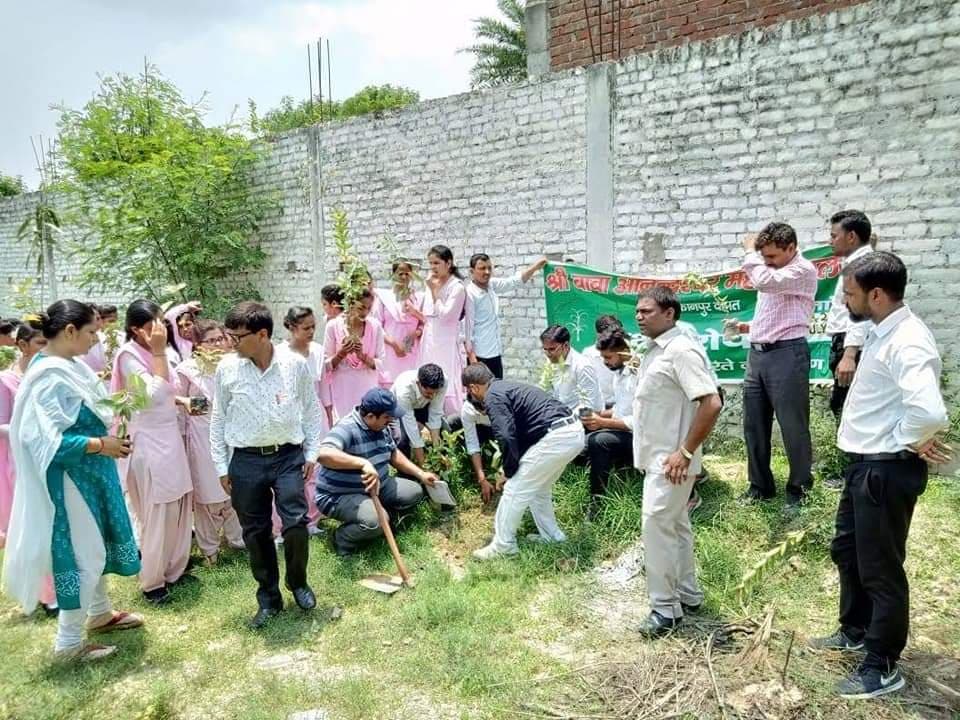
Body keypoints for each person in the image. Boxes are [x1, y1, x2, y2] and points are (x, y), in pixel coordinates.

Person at [809, 252, 950, 700]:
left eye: (849, 293)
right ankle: (854, 629)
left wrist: (908, 439)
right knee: (848, 551)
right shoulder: (882, 331)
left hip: (884, 470)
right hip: (865, 466)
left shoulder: (907, 340)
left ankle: (882, 664)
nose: (845, 302)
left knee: (880, 569)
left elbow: (928, 411)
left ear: (875, 293)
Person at [3, 300, 142, 662]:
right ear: (69, 332)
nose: (96, 340)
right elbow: (42, 438)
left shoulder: (69, 366)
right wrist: (100, 444)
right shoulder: (48, 375)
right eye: (92, 332)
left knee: (96, 544)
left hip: (91, 471)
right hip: (69, 477)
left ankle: (99, 614)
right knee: (87, 553)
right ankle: (67, 644)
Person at [211, 302, 323, 628]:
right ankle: (269, 598)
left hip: (288, 455)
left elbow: (312, 410)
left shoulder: (294, 365)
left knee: (296, 523)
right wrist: (221, 466)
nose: (231, 342)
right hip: (245, 461)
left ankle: (298, 582)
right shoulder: (227, 369)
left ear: (262, 334)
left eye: (237, 336)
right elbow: (218, 419)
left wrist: (312, 453)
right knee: (256, 532)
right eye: (229, 335)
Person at [631, 288, 723, 637]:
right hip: (660, 458)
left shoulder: (681, 350)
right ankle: (688, 593)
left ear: (670, 314)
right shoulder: (656, 351)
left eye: (648, 311)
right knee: (676, 526)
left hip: (672, 462)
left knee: (657, 528)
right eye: (637, 311)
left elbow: (711, 403)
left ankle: (665, 609)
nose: (639, 316)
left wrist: (685, 452)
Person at [111, 300, 195, 604]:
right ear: (135, 329)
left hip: (170, 438)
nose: (159, 332)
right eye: (152, 327)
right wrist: (159, 351)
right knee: (159, 511)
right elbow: (154, 395)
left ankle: (174, 568)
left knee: (180, 503)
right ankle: (152, 581)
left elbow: (173, 391)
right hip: (149, 443)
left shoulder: (157, 350)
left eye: (161, 325)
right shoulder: (128, 356)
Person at [463, 363, 585, 560]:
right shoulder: (506, 387)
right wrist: (508, 469)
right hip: (572, 432)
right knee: (538, 490)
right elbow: (523, 436)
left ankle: (503, 546)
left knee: (514, 490)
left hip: (557, 437)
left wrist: (509, 473)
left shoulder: (492, 396)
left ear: (473, 388)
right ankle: (553, 537)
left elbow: (506, 436)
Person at [740, 222, 817, 509]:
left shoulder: (802, 270)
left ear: (791, 248)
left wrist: (750, 253)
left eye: (772, 257)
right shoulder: (774, 272)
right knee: (754, 425)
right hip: (758, 355)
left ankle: (799, 490)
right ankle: (760, 486)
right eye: (764, 257)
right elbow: (774, 313)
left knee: (793, 426)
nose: (767, 262)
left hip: (787, 355)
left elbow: (764, 282)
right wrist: (747, 327)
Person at [315, 388, 439, 556]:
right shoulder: (347, 427)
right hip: (341, 494)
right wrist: (362, 463)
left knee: (414, 492)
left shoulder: (381, 426)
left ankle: (382, 519)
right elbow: (323, 453)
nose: (391, 420)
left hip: (378, 485)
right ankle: (342, 538)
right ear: (371, 416)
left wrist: (421, 474)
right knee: (376, 522)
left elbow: (393, 454)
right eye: (387, 417)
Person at [175, 320, 245, 566]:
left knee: (236, 489)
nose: (217, 345)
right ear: (197, 344)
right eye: (211, 340)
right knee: (208, 493)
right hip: (201, 439)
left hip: (232, 437)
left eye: (220, 339)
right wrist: (191, 403)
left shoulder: (233, 365)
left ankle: (237, 540)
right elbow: (175, 400)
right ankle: (209, 549)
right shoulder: (187, 369)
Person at [823, 210, 874, 488]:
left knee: (849, 407)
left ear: (851, 236)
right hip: (846, 342)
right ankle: (852, 469)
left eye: (834, 235)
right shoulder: (859, 260)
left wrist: (850, 354)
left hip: (851, 343)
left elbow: (862, 313)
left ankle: (854, 472)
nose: (830, 241)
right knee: (844, 405)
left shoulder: (861, 265)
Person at [277, 306, 328, 536]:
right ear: (291, 327)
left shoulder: (317, 351)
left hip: (314, 415)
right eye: (306, 328)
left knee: (316, 468)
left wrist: (327, 415)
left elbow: (324, 387)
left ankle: (312, 520)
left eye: (313, 327)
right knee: (290, 471)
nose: (311, 332)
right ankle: (282, 525)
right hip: (290, 418)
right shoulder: (279, 354)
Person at [0, 318, 47, 548]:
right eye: (41, 343)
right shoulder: (6, 380)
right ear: (22, 346)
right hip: (20, 460)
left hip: (51, 456)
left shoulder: (50, 376)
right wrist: (31, 428)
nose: (47, 349)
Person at [581, 328, 637, 515]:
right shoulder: (619, 373)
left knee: (598, 441)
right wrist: (597, 416)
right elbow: (621, 410)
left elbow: (640, 421)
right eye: (603, 358)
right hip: (624, 431)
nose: (605, 363)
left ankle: (597, 502)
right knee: (579, 437)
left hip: (643, 438)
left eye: (608, 358)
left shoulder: (640, 376)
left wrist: (602, 423)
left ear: (625, 352)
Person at [465, 254, 547, 379]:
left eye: (489, 268)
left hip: (495, 353)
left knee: (497, 393)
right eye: (482, 268)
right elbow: (465, 329)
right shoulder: (469, 294)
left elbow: (513, 282)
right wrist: (472, 359)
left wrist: (535, 267)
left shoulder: (491, 285)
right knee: (478, 396)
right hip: (479, 357)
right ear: (472, 271)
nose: (487, 272)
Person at [420, 245, 471, 413]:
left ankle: (451, 418)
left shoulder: (457, 287)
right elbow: (427, 314)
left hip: (447, 341)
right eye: (430, 263)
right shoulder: (430, 283)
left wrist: (435, 291)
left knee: (447, 378)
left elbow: (447, 316)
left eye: (437, 263)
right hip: (430, 339)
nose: (433, 267)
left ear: (448, 263)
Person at [323, 288, 385, 423]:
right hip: (343, 387)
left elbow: (381, 363)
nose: (365, 312)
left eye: (369, 308)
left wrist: (362, 356)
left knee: (368, 423)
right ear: (350, 303)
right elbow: (326, 365)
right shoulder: (333, 326)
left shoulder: (375, 327)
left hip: (367, 385)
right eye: (362, 307)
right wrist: (341, 353)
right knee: (345, 425)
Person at [376, 259, 425, 387]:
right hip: (389, 352)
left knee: (410, 385)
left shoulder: (419, 298)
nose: (403, 277)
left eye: (407, 274)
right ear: (393, 275)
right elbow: (376, 325)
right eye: (400, 273)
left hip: (411, 351)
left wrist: (414, 335)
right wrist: (394, 344)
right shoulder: (383, 297)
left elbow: (424, 323)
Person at [539, 325, 603, 415]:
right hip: (560, 416)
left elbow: (588, 407)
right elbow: (546, 392)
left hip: (585, 421)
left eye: (552, 349)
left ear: (566, 345)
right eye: (545, 349)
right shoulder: (550, 363)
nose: (548, 354)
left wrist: (565, 420)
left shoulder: (582, 366)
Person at [390, 363, 446, 466]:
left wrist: (437, 450)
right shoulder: (404, 389)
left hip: (422, 406)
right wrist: (424, 467)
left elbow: (435, 413)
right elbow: (410, 425)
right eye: (429, 393)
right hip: (399, 408)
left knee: (442, 430)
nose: (433, 396)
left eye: (435, 393)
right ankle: (407, 475)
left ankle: (438, 463)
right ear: (418, 383)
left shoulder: (442, 382)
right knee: (402, 439)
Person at [582, 315, 622, 408]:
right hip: (601, 405)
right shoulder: (588, 354)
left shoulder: (623, 351)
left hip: (622, 404)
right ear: (597, 334)